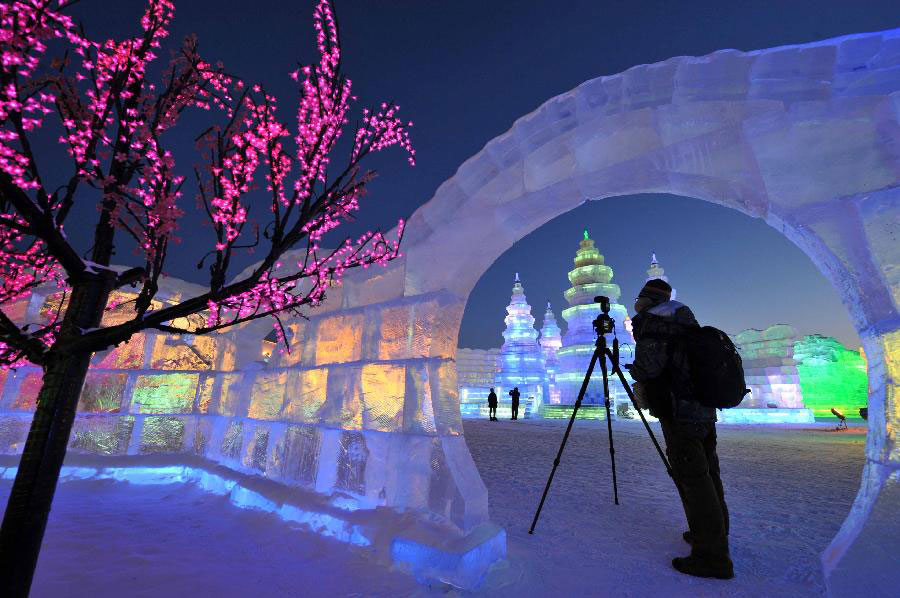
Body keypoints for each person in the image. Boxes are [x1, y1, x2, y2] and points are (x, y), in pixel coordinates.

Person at [629, 278, 733, 580]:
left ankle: (713, 557)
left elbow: (649, 369)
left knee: (693, 481)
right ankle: (713, 532)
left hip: (678, 414)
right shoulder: (687, 323)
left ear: (648, 302)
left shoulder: (656, 326)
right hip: (703, 411)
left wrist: (633, 369)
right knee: (708, 475)